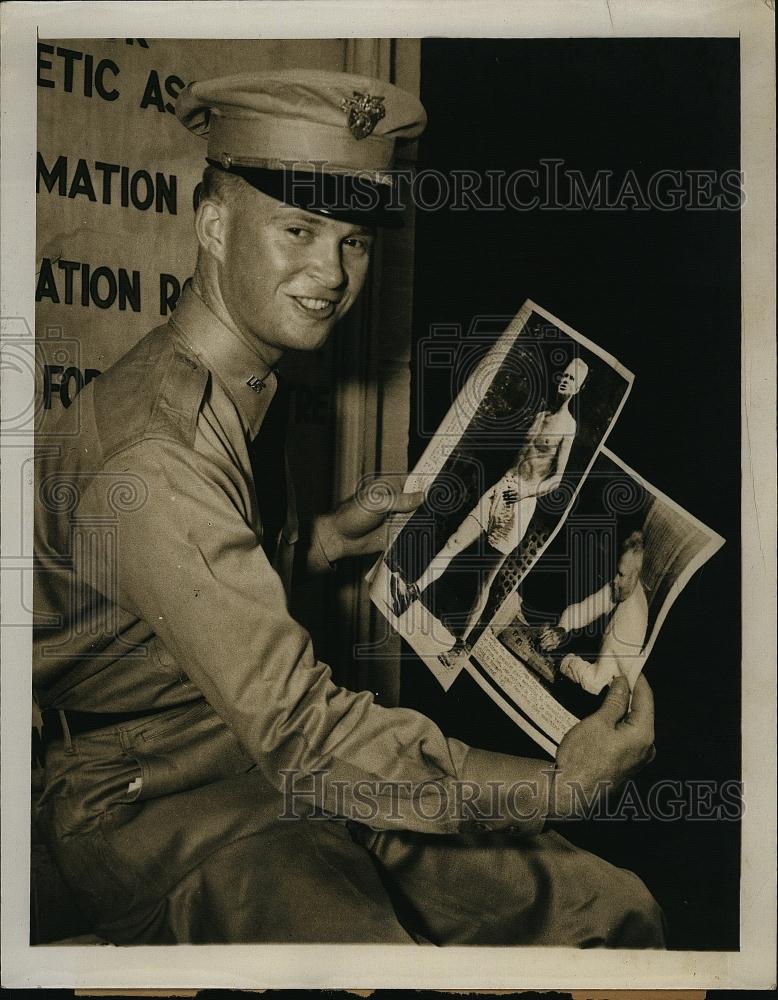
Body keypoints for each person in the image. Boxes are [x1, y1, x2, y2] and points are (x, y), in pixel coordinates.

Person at [33, 69, 663, 946]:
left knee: (607, 911)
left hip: (256, 737)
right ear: (212, 225)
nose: (331, 272)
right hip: (154, 791)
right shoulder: (160, 451)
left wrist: (320, 543)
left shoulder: (237, 376)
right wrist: (558, 785)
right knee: (366, 957)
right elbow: (300, 732)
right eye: (298, 229)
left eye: (353, 240)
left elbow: (167, 603)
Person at [390, 358, 587, 666]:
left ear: (579, 387)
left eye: (572, 379)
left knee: (485, 580)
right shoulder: (540, 416)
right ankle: (412, 591)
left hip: (520, 503)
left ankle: (460, 646)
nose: (565, 381)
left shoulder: (569, 427)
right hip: (500, 488)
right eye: (563, 375)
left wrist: (523, 492)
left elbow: (557, 480)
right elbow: (520, 456)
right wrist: (504, 486)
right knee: (455, 542)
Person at [539, 531, 649, 694]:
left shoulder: (632, 622)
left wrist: (562, 661)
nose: (615, 580)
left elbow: (595, 682)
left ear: (636, 577)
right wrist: (562, 629)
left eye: (621, 574)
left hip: (605, 693)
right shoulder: (623, 587)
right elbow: (586, 609)